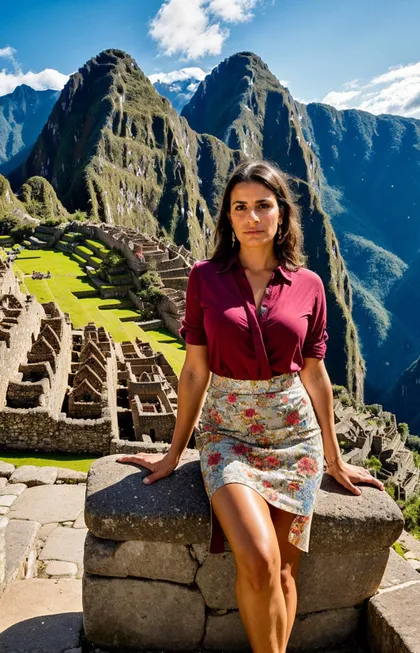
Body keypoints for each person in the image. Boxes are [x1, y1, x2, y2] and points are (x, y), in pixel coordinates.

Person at [117, 159, 385, 653]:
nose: (252, 217)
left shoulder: (309, 285)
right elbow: (195, 371)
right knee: (259, 559)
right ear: (227, 217)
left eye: (263, 205)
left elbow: (315, 373)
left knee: (284, 570)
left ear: (281, 213)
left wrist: (334, 456)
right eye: (240, 207)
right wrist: (174, 454)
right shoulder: (204, 278)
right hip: (227, 435)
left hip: (294, 437)